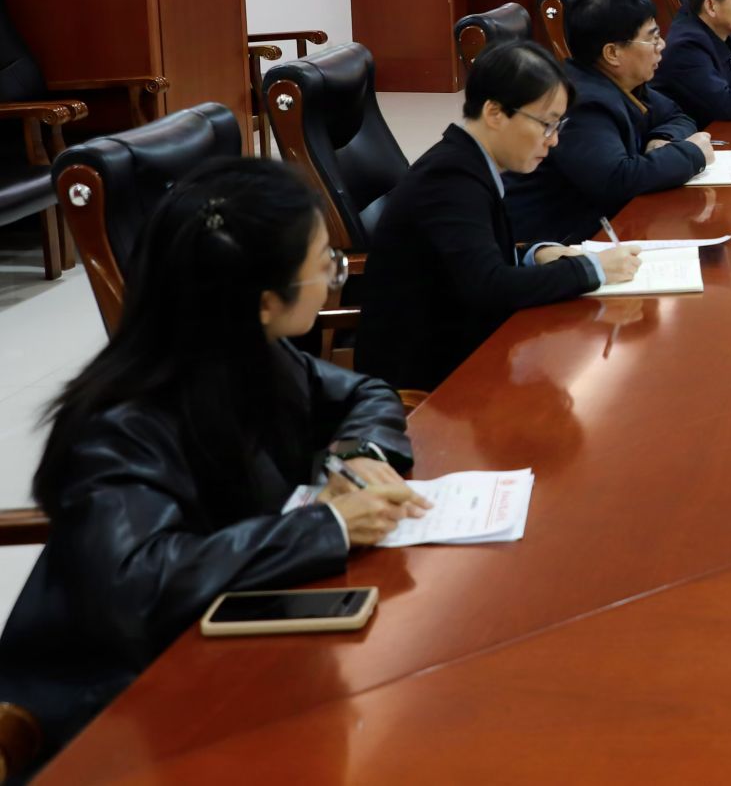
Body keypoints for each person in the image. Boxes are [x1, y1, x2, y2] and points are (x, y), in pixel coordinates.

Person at [0, 160, 429, 758]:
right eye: (324, 262)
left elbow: (366, 393)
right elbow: (139, 585)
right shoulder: (120, 423)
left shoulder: (248, 350)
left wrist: (355, 455)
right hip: (115, 703)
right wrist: (327, 526)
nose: (334, 276)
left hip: (232, 637)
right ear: (265, 302)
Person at [355, 43, 639, 390]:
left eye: (558, 125)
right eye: (547, 124)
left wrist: (535, 254)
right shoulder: (450, 180)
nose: (554, 141)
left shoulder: (469, 164)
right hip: (429, 379)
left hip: (465, 345)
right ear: (495, 113)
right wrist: (592, 269)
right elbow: (489, 286)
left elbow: (473, 256)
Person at [505, 0, 713, 246]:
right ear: (612, 53)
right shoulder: (581, 102)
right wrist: (692, 154)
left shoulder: (623, 82)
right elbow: (616, 180)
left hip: (600, 225)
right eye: (651, 38)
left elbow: (677, 115)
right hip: (550, 243)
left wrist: (662, 139)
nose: (661, 45)